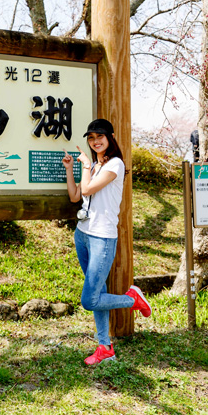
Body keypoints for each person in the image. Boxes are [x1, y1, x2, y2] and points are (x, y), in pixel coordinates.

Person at [62, 118, 152, 365]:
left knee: (89, 300)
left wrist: (87, 166)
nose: (95, 141)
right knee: (98, 293)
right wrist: (72, 169)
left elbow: (88, 190)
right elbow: (75, 196)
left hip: (102, 238)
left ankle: (132, 299)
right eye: (91, 138)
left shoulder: (115, 165)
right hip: (82, 234)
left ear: (110, 137)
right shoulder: (95, 167)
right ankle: (105, 347)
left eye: (99, 136)